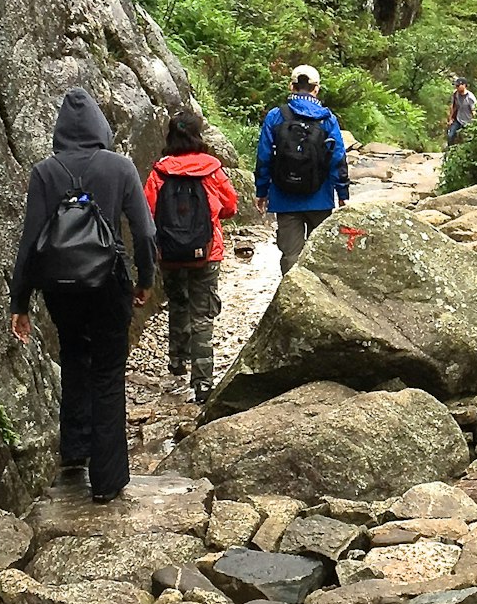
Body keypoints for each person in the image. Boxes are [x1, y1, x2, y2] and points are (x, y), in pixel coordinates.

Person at [9, 88, 154, 504]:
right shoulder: (119, 168)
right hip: (108, 281)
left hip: (60, 286)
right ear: (99, 126)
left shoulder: (45, 172)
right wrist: (146, 278)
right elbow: (144, 232)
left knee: (74, 357)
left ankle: (74, 454)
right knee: (107, 373)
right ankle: (107, 482)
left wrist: (21, 303)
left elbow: (29, 242)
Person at [144, 111, 237, 404]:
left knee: (177, 302)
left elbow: (147, 211)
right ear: (199, 135)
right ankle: (203, 383)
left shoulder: (159, 172)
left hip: (169, 252)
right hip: (207, 252)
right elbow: (231, 206)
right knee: (202, 313)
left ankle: (176, 361)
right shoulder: (212, 169)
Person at [255, 64, 349, 274]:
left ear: (291, 86)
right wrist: (342, 194)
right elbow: (338, 157)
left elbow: (264, 157)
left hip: (284, 197)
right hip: (320, 197)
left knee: (291, 257)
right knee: (320, 256)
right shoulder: (327, 119)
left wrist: (261, 192)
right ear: (316, 89)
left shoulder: (275, 116)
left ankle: (291, 299)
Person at [445, 75, 477, 147]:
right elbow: (453, 106)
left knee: (467, 139)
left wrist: (475, 122)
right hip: (458, 119)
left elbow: (474, 110)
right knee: (450, 135)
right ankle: (449, 151)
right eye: (456, 86)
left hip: (468, 121)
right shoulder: (455, 94)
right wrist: (450, 119)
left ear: (464, 85)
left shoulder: (470, 98)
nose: (457, 87)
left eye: (458, 85)